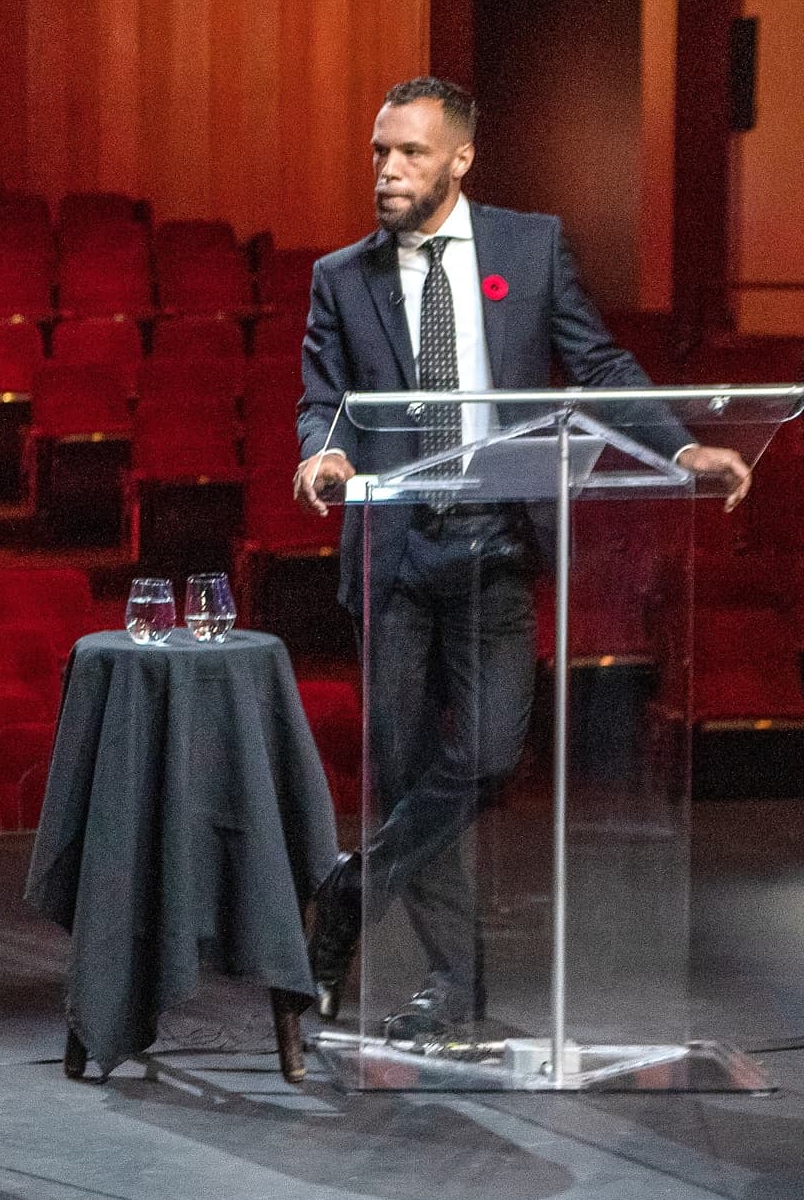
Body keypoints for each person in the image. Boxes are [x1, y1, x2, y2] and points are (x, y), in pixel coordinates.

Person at [292, 76, 749, 1035]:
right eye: (379, 151)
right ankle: (454, 988)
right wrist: (320, 452)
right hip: (395, 555)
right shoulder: (343, 275)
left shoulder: (527, 248)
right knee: (406, 768)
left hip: (496, 546)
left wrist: (676, 446)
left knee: (493, 750)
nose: (387, 169)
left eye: (409, 152)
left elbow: (601, 364)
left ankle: (348, 894)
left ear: (461, 158)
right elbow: (322, 399)